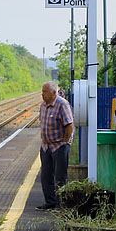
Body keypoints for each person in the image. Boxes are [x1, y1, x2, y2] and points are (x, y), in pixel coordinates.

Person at [38, 81, 74, 209]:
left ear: (54, 93)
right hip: (46, 146)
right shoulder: (43, 106)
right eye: (42, 91)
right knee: (45, 176)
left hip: (59, 146)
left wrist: (65, 142)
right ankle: (50, 202)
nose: (42, 94)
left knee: (60, 177)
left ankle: (61, 204)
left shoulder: (62, 104)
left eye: (45, 91)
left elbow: (69, 125)